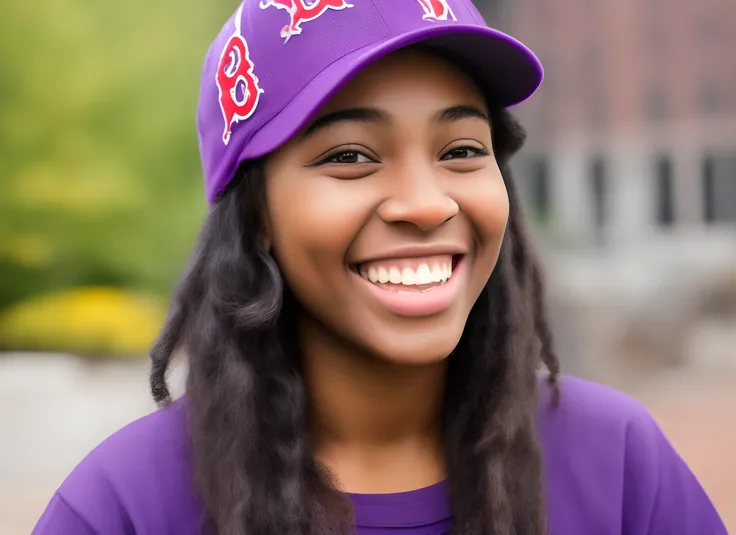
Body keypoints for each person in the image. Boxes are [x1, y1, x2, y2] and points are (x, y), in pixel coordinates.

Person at [32, 1, 728, 534]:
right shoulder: (126, 506)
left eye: (460, 149)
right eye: (351, 156)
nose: (426, 205)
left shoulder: (619, 466)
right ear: (257, 214)